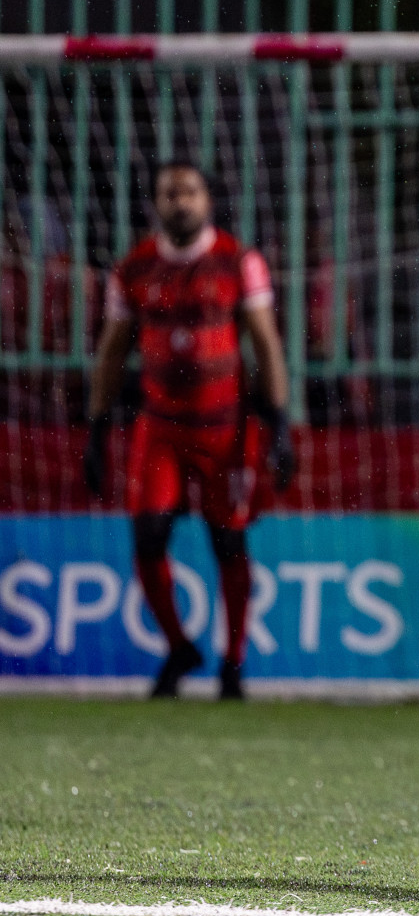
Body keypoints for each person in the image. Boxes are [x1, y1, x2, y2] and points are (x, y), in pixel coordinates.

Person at [83, 161, 295, 700]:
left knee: (228, 540)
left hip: (225, 430)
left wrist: (279, 423)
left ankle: (234, 662)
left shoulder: (238, 261)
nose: (180, 202)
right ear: (156, 203)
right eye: (169, 193)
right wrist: (97, 429)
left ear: (208, 200)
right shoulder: (133, 269)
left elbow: (266, 344)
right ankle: (179, 646)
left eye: (190, 192)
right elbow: (112, 352)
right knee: (148, 536)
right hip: (160, 430)